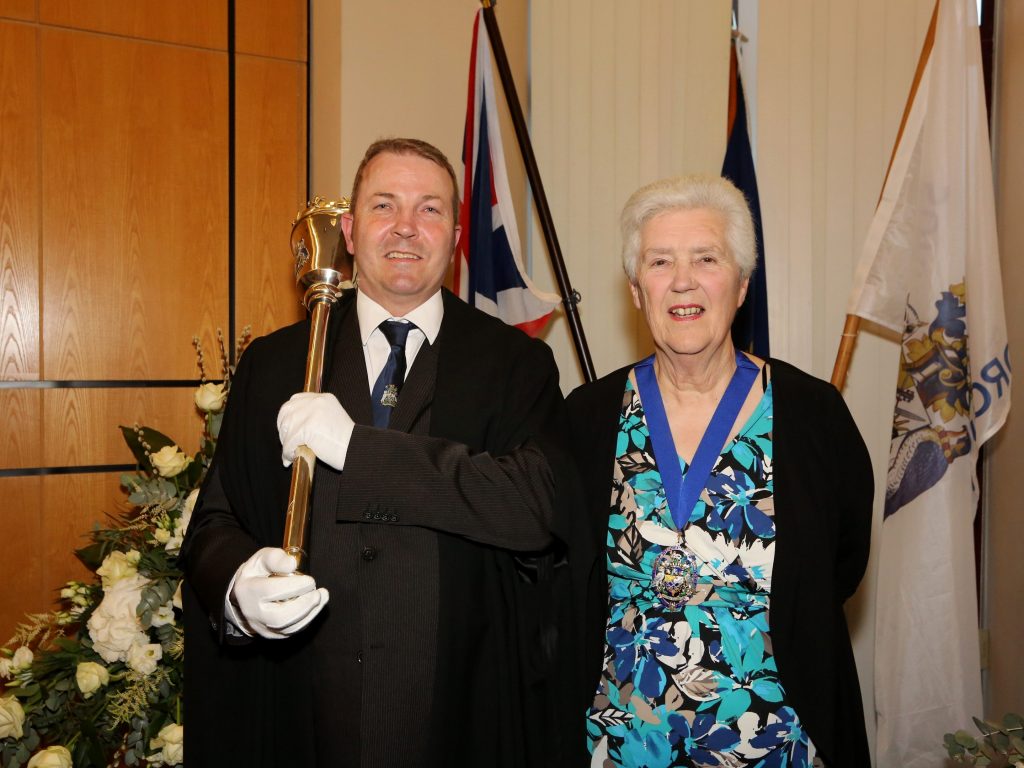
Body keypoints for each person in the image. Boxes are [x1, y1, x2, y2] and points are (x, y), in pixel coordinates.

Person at [181, 137, 575, 768]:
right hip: (301, 714)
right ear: (349, 230)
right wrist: (235, 583)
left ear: (456, 237)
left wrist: (356, 451)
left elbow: (535, 508)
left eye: (430, 209)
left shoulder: (515, 364)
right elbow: (214, 523)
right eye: (383, 205)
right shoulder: (276, 363)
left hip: (459, 715)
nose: (405, 227)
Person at [565, 175, 873, 767]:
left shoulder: (814, 415)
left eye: (706, 258)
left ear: (741, 285)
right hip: (620, 744)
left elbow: (841, 562)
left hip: (775, 741)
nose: (682, 280)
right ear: (636, 290)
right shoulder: (584, 417)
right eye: (660, 262)